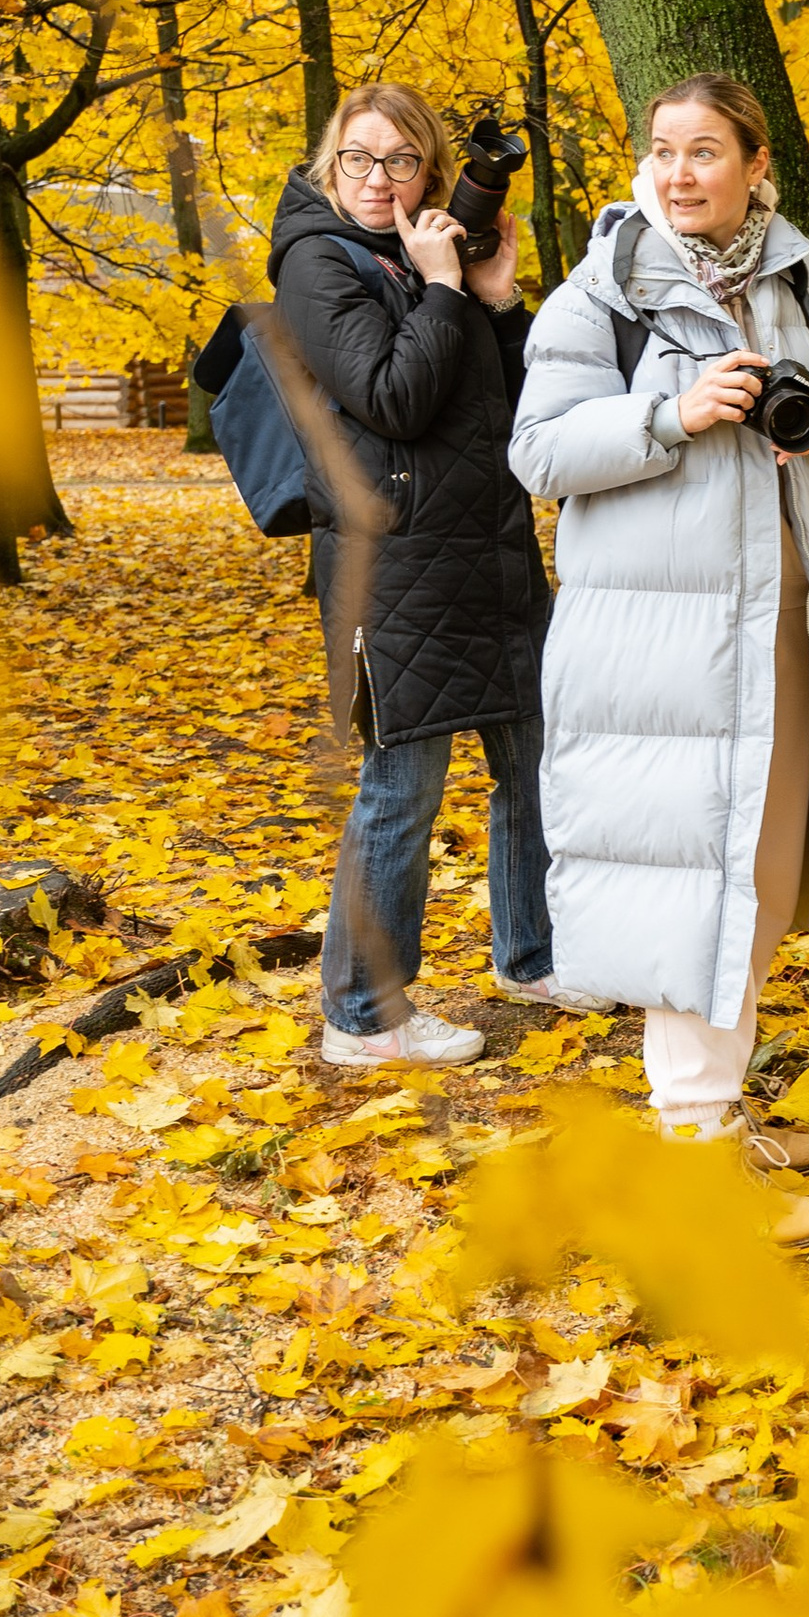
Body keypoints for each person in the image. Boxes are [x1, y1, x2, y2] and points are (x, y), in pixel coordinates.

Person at [508, 75, 809, 1248]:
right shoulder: (604, 290)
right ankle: (693, 1153)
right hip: (663, 649)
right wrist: (672, 414)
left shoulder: (805, 284)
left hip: (786, 636)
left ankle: (716, 1115)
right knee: (689, 882)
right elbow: (539, 452)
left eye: (706, 151)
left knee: (755, 877)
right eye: (665, 150)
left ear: (754, 164)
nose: (680, 173)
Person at [271, 82, 557, 1070]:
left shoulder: (426, 257)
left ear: (428, 172)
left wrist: (496, 298)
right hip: (395, 568)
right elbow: (392, 398)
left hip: (489, 551)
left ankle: (534, 956)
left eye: (400, 160)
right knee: (403, 784)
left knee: (534, 759)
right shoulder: (317, 263)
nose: (377, 178)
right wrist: (440, 288)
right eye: (359, 157)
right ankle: (362, 1014)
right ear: (330, 165)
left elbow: (517, 406)